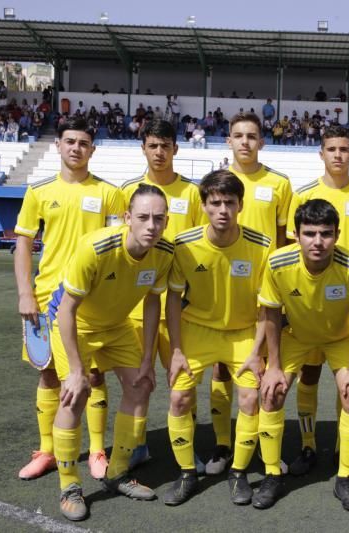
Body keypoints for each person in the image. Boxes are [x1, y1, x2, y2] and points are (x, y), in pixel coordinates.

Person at [47, 185, 174, 521]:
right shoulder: (96, 247)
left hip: (117, 327)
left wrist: (147, 358)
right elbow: (67, 310)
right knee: (75, 394)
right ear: (127, 218)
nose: (151, 225)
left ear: (166, 221)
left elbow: (151, 302)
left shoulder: (164, 253)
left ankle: (117, 473)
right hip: (77, 323)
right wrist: (76, 370)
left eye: (159, 218)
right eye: (144, 217)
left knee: (142, 385)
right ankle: (69, 485)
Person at [14, 117, 125, 482]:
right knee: (47, 373)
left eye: (83, 143)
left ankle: (96, 449)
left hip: (92, 301)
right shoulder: (39, 191)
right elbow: (24, 244)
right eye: (70, 141)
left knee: (92, 374)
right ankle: (47, 449)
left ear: (92, 149)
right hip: (46, 298)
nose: (76, 148)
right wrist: (26, 293)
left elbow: (115, 248)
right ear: (58, 146)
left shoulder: (110, 193)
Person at [256, 199, 349, 510]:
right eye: (310, 233)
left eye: (326, 233)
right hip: (296, 336)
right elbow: (269, 312)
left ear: (337, 234)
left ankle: (345, 477)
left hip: (339, 338)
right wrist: (274, 365)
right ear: (295, 234)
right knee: (272, 392)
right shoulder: (278, 264)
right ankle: (272, 474)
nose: (318, 242)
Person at [164, 170, 271, 507]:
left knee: (250, 399)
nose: (222, 209)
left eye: (229, 202)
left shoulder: (261, 245)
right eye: (215, 203)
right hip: (197, 329)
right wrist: (177, 349)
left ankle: (238, 473)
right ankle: (186, 474)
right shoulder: (184, 245)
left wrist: (257, 352)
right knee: (180, 398)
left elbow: (269, 305)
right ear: (204, 206)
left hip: (243, 333)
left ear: (241, 204)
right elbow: (172, 299)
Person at [285, 125, 349, 476]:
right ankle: (308, 447)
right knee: (308, 376)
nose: (338, 155)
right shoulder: (303, 194)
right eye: (331, 149)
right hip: (309, 306)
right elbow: (293, 245)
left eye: (344, 149)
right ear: (321, 153)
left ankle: (346, 449)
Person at [120, 120, 205, 468]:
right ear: (143, 148)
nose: (159, 152)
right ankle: (136, 445)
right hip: (136, 303)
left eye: (165, 146)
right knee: (138, 379)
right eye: (153, 145)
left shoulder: (192, 192)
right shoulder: (126, 189)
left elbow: (201, 244)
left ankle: (187, 447)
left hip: (180, 306)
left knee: (181, 379)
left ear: (175, 149)